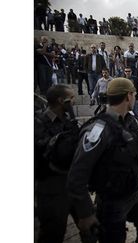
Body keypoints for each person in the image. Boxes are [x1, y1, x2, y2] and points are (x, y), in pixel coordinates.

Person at [67, 78, 138, 243]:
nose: (135, 98)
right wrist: (85, 214)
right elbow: (76, 176)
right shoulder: (98, 130)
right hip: (111, 201)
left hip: (133, 193)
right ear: (128, 96)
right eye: (135, 95)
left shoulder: (130, 121)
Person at [35, 84, 80, 243]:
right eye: (71, 98)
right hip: (51, 188)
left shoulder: (69, 121)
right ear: (62, 101)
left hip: (73, 184)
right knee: (53, 233)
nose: (74, 101)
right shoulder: (38, 122)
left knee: (91, 228)